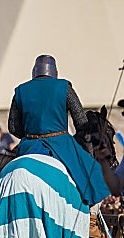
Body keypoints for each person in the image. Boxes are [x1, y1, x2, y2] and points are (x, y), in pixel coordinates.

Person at [7, 54, 109, 206]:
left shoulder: (21, 91)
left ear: (34, 72)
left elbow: (13, 127)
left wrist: (29, 134)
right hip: (62, 144)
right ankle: (92, 223)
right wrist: (88, 154)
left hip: (28, 145)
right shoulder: (64, 88)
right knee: (96, 178)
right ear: (55, 72)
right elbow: (82, 124)